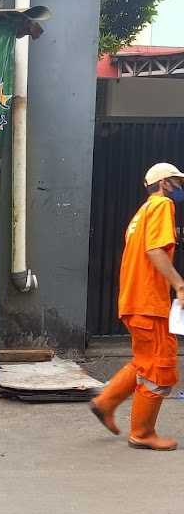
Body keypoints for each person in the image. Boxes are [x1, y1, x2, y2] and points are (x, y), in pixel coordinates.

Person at [90, 162, 184, 451]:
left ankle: (105, 402)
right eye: (177, 182)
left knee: (144, 360)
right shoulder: (161, 205)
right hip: (148, 302)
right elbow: (155, 250)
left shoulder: (140, 213)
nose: (180, 188)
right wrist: (179, 285)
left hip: (134, 301)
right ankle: (142, 433)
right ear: (164, 183)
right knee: (160, 367)